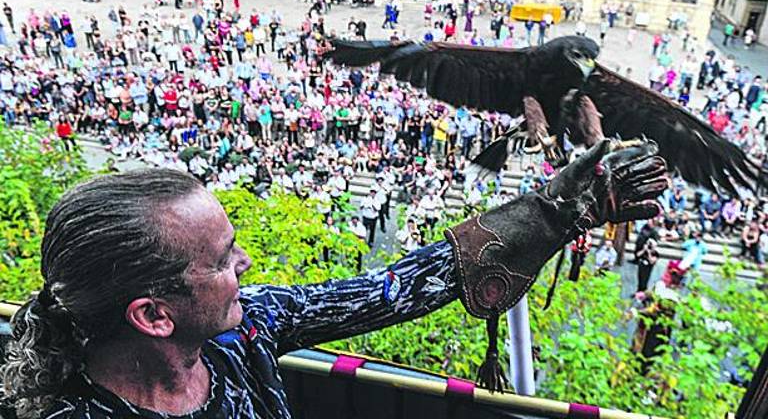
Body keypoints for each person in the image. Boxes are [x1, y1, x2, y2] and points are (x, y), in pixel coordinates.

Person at [0, 140, 666, 418]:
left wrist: (551, 212)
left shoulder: (247, 328)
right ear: (153, 315)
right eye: (226, 258)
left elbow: (393, 289)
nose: (246, 267)